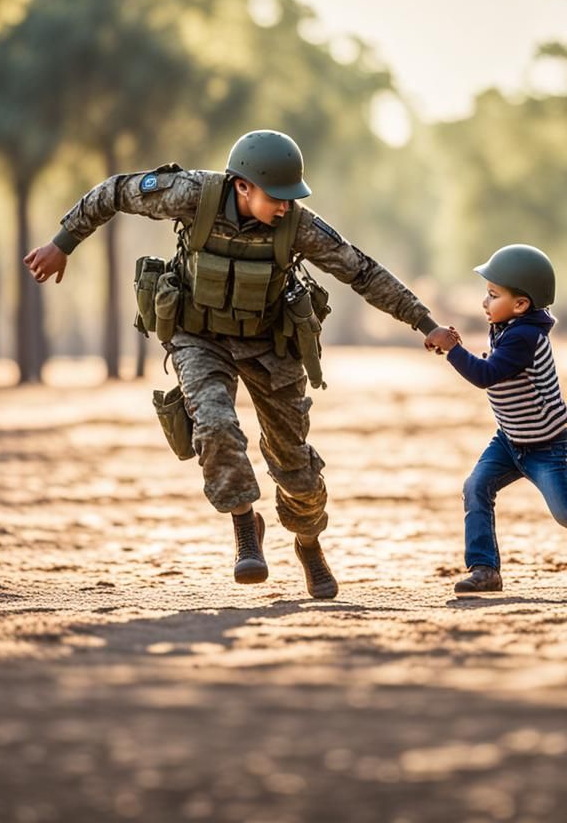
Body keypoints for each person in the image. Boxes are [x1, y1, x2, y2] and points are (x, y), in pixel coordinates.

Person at [23, 129, 441, 600]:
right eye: (276, 196)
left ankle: (308, 544)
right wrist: (63, 242)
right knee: (215, 425)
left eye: (291, 197)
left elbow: (362, 271)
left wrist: (424, 323)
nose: (285, 206)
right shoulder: (192, 195)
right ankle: (245, 525)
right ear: (242, 186)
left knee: (296, 469)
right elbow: (115, 191)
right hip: (199, 337)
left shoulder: (298, 225)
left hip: (270, 345)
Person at [420, 244, 567, 595]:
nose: (484, 302)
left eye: (493, 295)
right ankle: (484, 569)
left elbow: (486, 375)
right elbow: (495, 368)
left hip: (546, 447)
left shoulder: (525, 337)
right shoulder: (508, 326)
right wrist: (456, 345)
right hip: (509, 440)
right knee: (476, 486)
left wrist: (453, 350)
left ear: (521, 304)